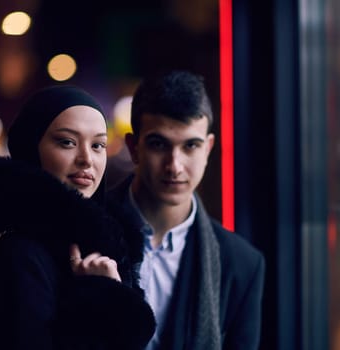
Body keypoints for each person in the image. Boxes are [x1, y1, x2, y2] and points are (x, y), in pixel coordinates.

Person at [0, 85, 155, 349]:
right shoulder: (19, 254)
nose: (87, 159)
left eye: (98, 144)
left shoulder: (104, 242)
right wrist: (103, 297)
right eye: (67, 142)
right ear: (31, 146)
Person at [107, 70, 265, 350]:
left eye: (190, 146)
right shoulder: (85, 227)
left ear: (208, 149)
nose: (174, 165)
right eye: (159, 145)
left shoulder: (241, 264)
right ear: (134, 148)